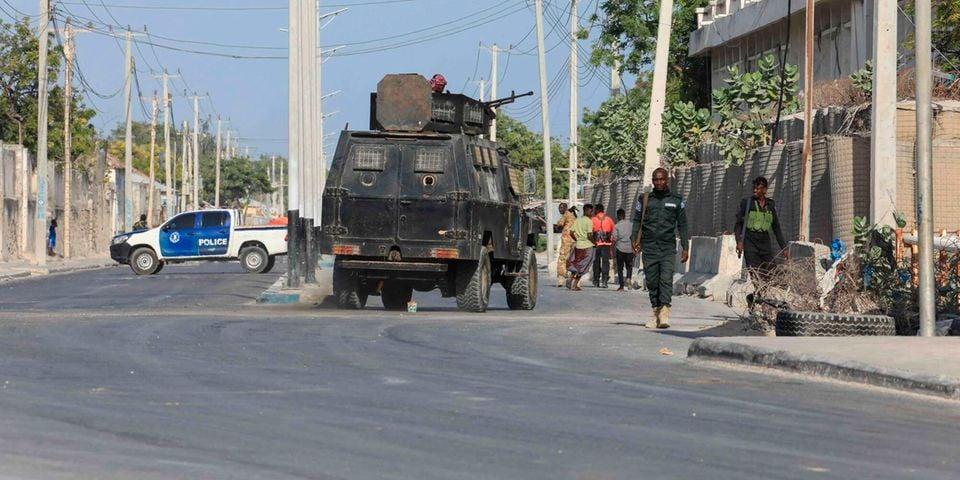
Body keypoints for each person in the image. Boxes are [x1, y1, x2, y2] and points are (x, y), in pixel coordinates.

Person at [632, 168, 690, 329]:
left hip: (667, 247)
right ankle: (655, 311)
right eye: (656, 180)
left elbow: (683, 225)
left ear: (667, 180)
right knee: (651, 281)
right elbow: (637, 220)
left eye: (662, 179)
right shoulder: (644, 199)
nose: (659, 182)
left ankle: (664, 312)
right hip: (649, 247)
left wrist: (686, 247)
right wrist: (633, 239)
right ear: (652, 181)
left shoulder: (677, 200)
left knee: (665, 279)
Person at [735, 176, 789, 282]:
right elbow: (738, 225)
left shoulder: (770, 205)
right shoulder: (747, 203)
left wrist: (784, 247)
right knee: (755, 272)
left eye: (758, 188)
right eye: (754, 188)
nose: (755, 190)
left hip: (764, 242)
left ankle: (764, 294)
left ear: (764, 190)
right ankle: (759, 293)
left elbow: (776, 228)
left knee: (770, 272)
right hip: (750, 242)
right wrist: (739, 241)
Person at [566, 204, 595, 291]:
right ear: (586, 211)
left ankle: (571, 279)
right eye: (590, 211)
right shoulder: (589, 221)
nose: (591, 213)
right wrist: (595, 243)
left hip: (578, 246)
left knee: (577, 264)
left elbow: (571, 232)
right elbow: (590, 235)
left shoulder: (578, 220)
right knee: (584, 266)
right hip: (588, 246)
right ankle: (575, 284)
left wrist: (577, 239)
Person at [591, 203, 615, 288]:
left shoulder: (593, 219)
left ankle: (596, 280)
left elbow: (590, 232)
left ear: (597, 210)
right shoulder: (609, 219)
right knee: (605, 262)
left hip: (596, 244)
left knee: (596, 262)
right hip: (607, 244)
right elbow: (613, 231)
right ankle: (604, 281)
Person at [554, 202, 577, 287]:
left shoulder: (566, 214)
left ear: (565, 208)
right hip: (574, 240)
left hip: (567, 240)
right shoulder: (573, 215)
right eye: (559, 208)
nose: (560, 209)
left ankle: (561, 279)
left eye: (561, 208)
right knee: (573, 259)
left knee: (562, 258)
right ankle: (574, 280)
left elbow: (559, 223)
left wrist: (556, 226)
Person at [611, 208, 635, 291]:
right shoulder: (631, 224)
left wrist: (612, 249)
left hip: (620, 248)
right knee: (629, 266)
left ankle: (621, 286)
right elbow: (634, 236)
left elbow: (614, 239)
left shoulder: (616, 226)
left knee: (620, 268)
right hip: (629, 249)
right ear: (624, 215)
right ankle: (628, 278)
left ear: (617, 216)